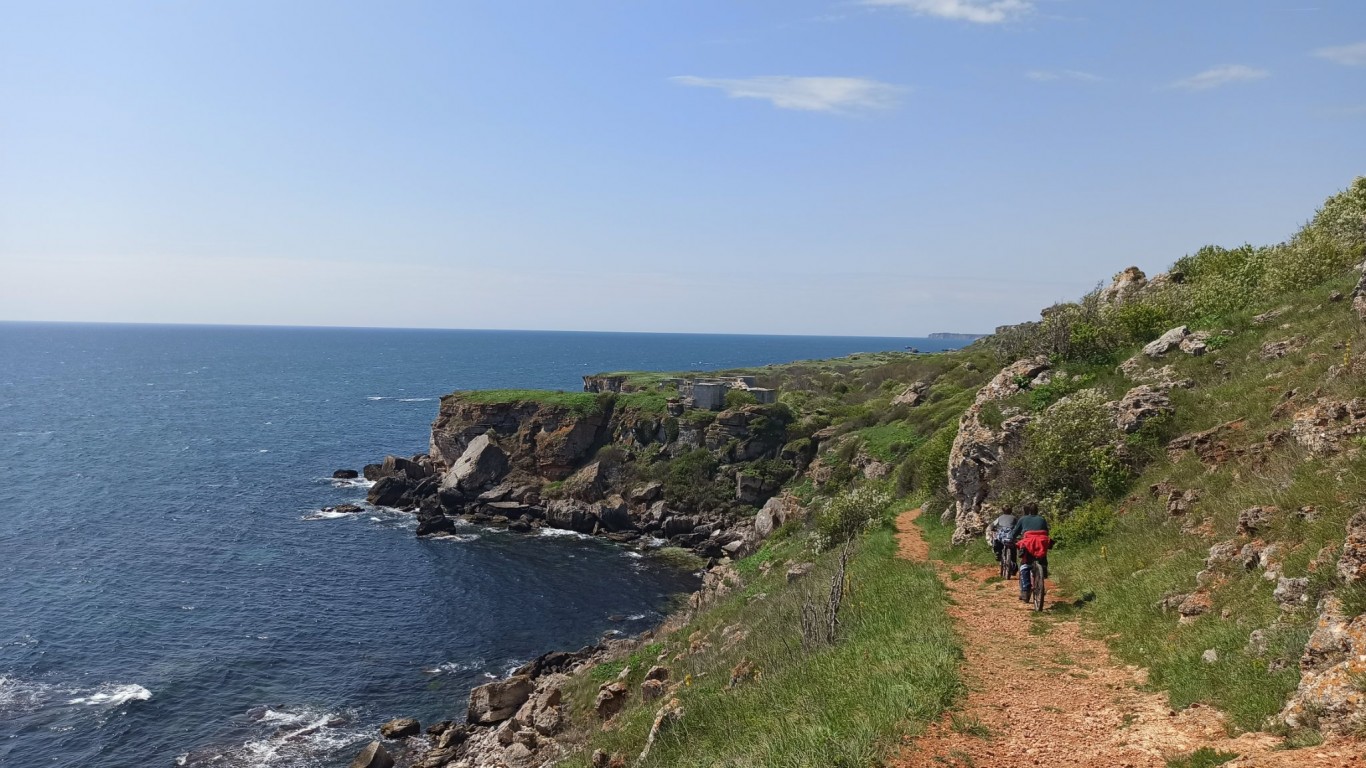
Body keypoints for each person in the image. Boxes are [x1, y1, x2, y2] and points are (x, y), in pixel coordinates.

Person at [1009, 502, 1051, 603]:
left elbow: (1014, 533)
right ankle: (1043, 572)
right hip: (1041, 543)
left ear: (1026, 511)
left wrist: (1011, 539)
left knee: (1025, 566)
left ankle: (1025, 590)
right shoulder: (1042, 519)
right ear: (1037, 510)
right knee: (1042, 557)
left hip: (1029, 544)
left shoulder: (1023, 519)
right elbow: (1046, 531)